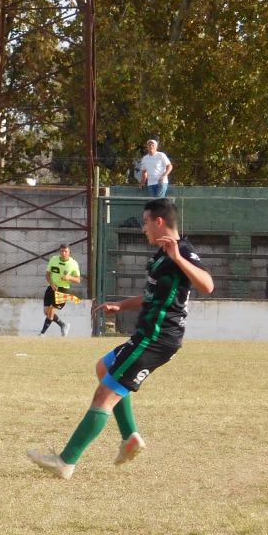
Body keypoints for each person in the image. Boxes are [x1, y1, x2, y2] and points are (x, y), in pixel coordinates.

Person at [26, 198, 212, 480]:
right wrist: (121, 305)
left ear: (159, 222)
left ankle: (66, 462)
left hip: (158, 338)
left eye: (145, 222)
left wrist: (178, 258)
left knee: (105, 395)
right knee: (103, 369)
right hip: (148, 334)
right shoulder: (161, 255)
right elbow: (152, 297)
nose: (143, 229)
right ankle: (130, 438)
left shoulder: (181, 252)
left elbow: (208, 285)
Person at [41, 243, 82, 336]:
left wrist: (69, 278)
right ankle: (63, 325)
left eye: (65, 251)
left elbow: (78, 280)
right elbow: (47, 275)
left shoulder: (73, 264)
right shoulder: (53, 260)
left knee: (51, 311)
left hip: (63, 290)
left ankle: (42, 333)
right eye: (62, 251)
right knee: (46, 312)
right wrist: (51, 283)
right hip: (52, 287)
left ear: (69, 252)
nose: (63, 253)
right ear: (59, 251)